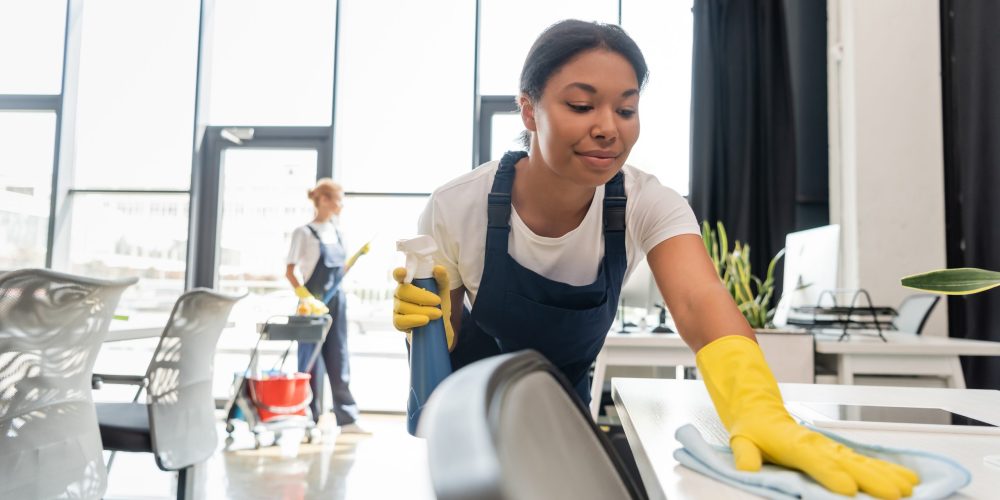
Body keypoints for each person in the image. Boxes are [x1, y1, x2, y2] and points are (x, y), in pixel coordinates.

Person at [393, 19, 918, 499]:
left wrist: (758, 408)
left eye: (625, 108)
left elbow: (698, 300)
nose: (608, 127)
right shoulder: (456, 206)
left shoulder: (646, 201)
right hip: (472, 428)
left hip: (564, 418)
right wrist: (427, 323)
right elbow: (445, 342)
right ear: (529, 109)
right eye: (581, 106)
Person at [286, 179, 369, 434]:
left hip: (337, 301)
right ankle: (308, 419)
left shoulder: (338, 232)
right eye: (338, 199)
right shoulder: (304, 232)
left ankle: (347, 419)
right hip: (311, 304)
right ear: (323, 200)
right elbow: (290, 271)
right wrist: (305, 297)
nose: (341, 204)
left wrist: (356, 258)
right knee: (308, 362)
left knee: (338, 357)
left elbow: (339, 270)